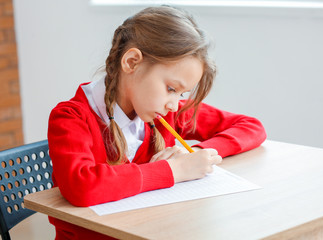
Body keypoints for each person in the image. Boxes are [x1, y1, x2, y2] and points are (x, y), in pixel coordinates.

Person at [47, 5, 266, 240]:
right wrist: (175, 170)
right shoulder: (71, 117)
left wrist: (197, 154)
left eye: (181, 94)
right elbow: (82, 186)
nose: (174, 103)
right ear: (131, 62)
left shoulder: (166, 113)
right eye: (171, 88)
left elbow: (251, 127)